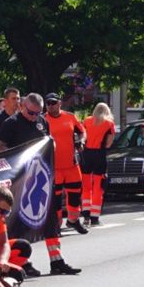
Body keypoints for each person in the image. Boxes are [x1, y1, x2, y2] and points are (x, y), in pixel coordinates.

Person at [0, 93, 79, 276]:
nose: (34, 117)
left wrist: (52, 147)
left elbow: (48, 142)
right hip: (21, 180)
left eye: (38, 113)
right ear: (23, 106)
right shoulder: (11, 123)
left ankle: (57, 261)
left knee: (50, 220)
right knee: (19, 223)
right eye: (31, 113)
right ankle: (21, 262)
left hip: (41, 178)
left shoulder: (42, 121)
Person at [43, 94, 86, 233]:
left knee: (75, 195)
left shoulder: (70, 117)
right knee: (55, 200)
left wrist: (82, 141)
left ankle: (73, 221)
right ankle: (56, 225)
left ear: (59, 103)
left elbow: (82, 132)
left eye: (53, 103)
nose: (50, 105)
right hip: (53, 168)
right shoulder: (43, 120)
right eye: (48, 103)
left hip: (71, 166)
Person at [78, 103, 116, 225]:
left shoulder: (87, 121)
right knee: (98, 187)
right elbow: (109, 144)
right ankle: (95, 217)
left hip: (86, 155)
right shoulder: (109, 124)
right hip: (99, 155)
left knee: (86, 187)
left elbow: (82, 135)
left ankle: (86, 215)